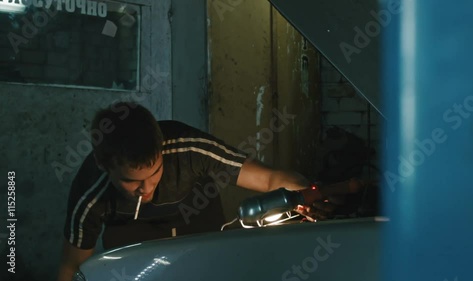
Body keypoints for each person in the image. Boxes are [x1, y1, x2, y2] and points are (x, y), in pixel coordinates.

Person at [57, 102, 326, 281]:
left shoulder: (189, 148)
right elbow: (71, 267)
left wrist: (307, 191)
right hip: (130, 236)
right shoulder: (90, 195)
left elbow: (270, 179)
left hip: (197, 218)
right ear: (105, 165)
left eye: (154, 173)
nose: (146, 188)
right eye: (132, 182)